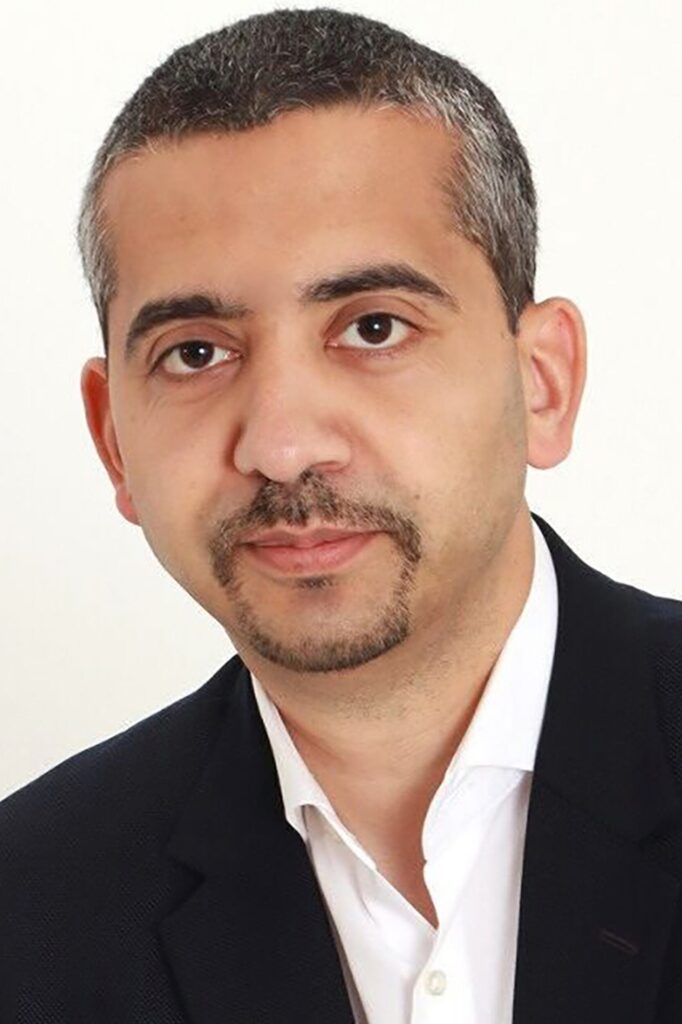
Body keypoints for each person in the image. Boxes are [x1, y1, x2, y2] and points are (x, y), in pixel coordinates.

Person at [1, 7, 681, 1023]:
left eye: (372, 327)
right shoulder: (30, 910)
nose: (280, 445)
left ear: (540, 383)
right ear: (113, 441)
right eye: (195, 352)